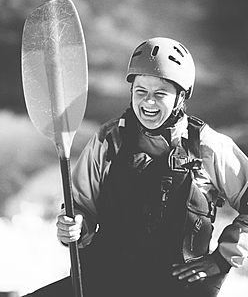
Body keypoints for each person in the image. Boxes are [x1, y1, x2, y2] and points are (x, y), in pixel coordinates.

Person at [23, 37, 248, 297]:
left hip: (176, 286)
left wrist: (221, 258)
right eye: (141, 91)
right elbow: (81, 208)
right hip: (109, 277)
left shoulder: (208, 147)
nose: (148, 103)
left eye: (160, 94)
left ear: (181, 97)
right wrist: (74, 227)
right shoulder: (109, 140)